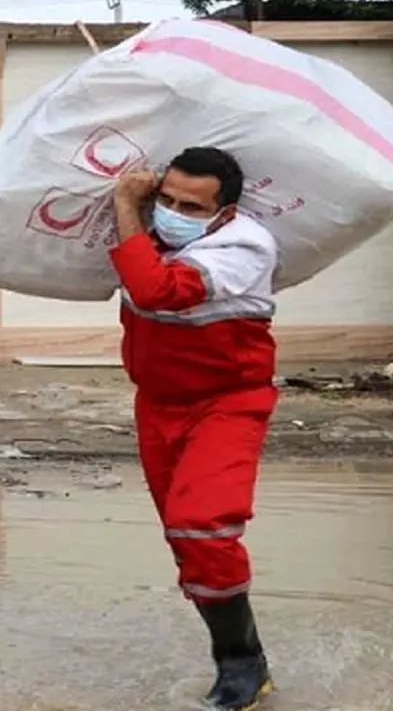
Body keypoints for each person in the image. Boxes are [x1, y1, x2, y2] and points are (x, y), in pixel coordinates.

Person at [108, 147, 277, 711]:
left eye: (191, 205)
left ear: (224, 211)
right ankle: (241, 655)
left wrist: (124, 204)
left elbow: (159, 292)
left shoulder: (243, 246)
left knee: (201, 525)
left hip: (227, 403)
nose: (174, 211)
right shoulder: (151, 238)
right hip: (157, 405)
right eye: (168, 199)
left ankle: (240, 666)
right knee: (187, 544)